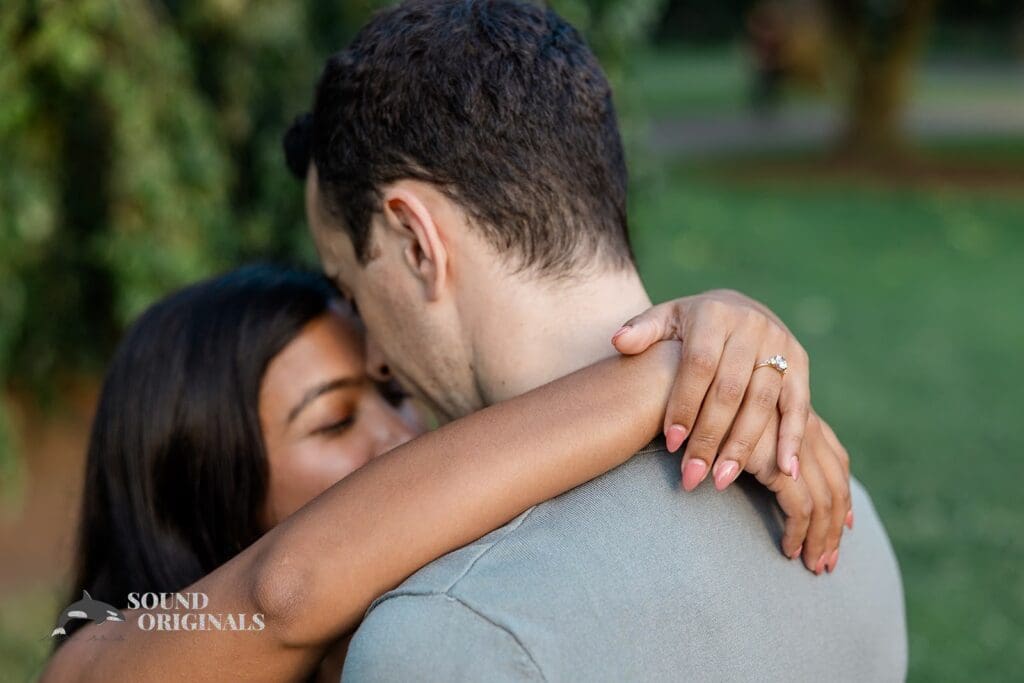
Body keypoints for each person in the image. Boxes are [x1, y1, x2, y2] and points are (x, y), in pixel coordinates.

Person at [299, 1, 907, 680]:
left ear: (416, 242)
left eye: (353, 288)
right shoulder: (849, 516)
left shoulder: (449, 630)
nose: (376, 356)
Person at [43, 264, 850, 682]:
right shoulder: (97, 659)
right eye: (333, 420)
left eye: (393, 391)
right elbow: (280, 592)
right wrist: (675, 372)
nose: (400, 435)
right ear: (203, 481)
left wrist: (738, 345)